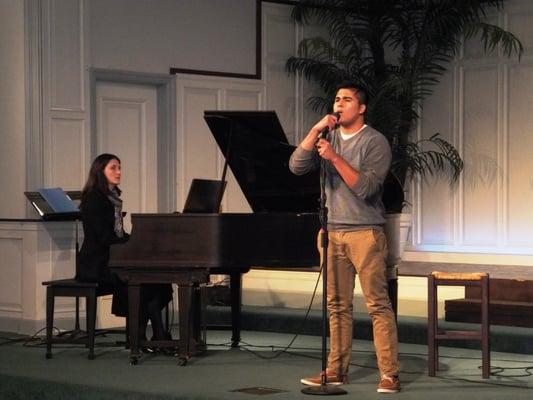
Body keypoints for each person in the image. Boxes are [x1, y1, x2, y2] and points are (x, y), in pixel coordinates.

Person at [289, 83, 400, 393]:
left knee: (378, 305)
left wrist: (335, 157)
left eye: (346, 100)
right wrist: (315, 131)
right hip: (332, 233)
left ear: (361, 107)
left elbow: (366, 188)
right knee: (337, 306)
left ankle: (390, 373)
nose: (339, 104)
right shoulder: (328, 136)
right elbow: (296, 166)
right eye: (336, 99)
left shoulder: (375, 142)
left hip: (365, 232)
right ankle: (336, 370)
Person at [78, 153, 172, 344]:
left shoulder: (112, 199)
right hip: (97, 263)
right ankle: (148, 337)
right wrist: (130, 244)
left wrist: (138, 241)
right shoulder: (94, 198)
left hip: (113, 258)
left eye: (119, 167)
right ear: (100, 171)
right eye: (113, 167)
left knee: (158, 282)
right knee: (144, 283)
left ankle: (152, 336)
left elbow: (118, 235)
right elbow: (103, 237)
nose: (118, 172)